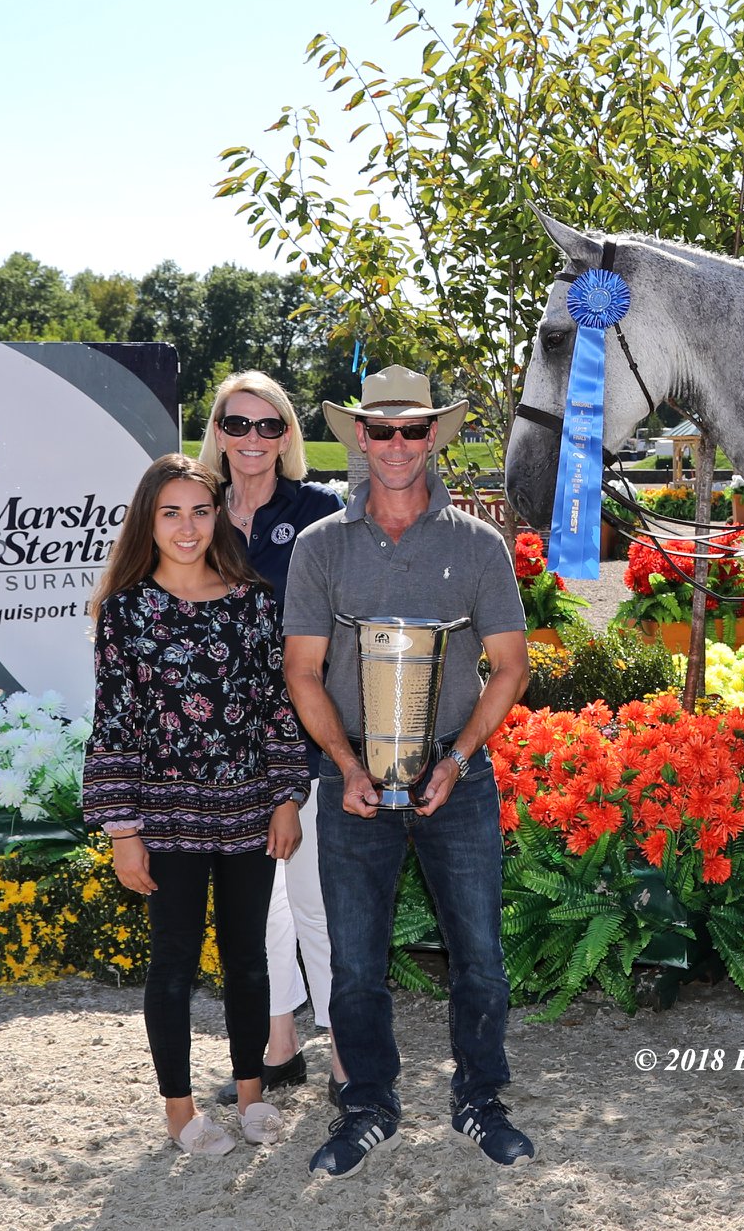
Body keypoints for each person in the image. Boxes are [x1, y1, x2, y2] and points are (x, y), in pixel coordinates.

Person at [282, 364, 534, 1177]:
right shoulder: (322, 547)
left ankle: (480, 1099)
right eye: (381, 430)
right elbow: (302, 672)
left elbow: (510, 666)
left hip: (457, 777)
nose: (396, 445)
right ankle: (368, 1105)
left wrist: (459, 760)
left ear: (434, 437)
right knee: (355, 960)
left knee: (481, 956)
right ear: (360, 436)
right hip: (351, 780)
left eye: (413, 430)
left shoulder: (477, 544)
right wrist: (346, 766)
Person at [82, 454, 311, 1157]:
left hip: (248, 809)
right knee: (175, 963)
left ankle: (249, 1097)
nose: (187, 528)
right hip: (166, 815)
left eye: (200, 511)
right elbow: (115, 721)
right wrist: (123, 830)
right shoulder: (124, 611)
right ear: (148, 521)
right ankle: (180, 1115)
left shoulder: (253, 600)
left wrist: (286, 797)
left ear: (220, 517)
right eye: (171, 513)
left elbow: (276, 707)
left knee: (248, 958)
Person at [197, 371, 346, 1109]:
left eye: (268, 425)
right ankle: (280, 1049)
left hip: (307, 736)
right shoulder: (195, 511)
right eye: (237, 424)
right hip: (225, 747)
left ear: (287, 436)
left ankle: (348, 1059)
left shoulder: (320, 512)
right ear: (217, 431)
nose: (252, 439)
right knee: (260, 910)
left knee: (317, 899)